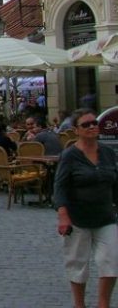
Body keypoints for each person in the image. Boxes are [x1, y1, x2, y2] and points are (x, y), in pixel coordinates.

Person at [54, 109, 118, 308]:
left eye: (94, 123)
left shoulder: (107, 152)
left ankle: (103, 304)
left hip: (106, 216)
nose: (92, 127)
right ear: (76, 130)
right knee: (77, 263)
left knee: (111, 261)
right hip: (77, 218)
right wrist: (63, 215)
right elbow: (60, 187)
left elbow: (115, 183)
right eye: (86, 125)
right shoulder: (70, 155)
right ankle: (79, 304)